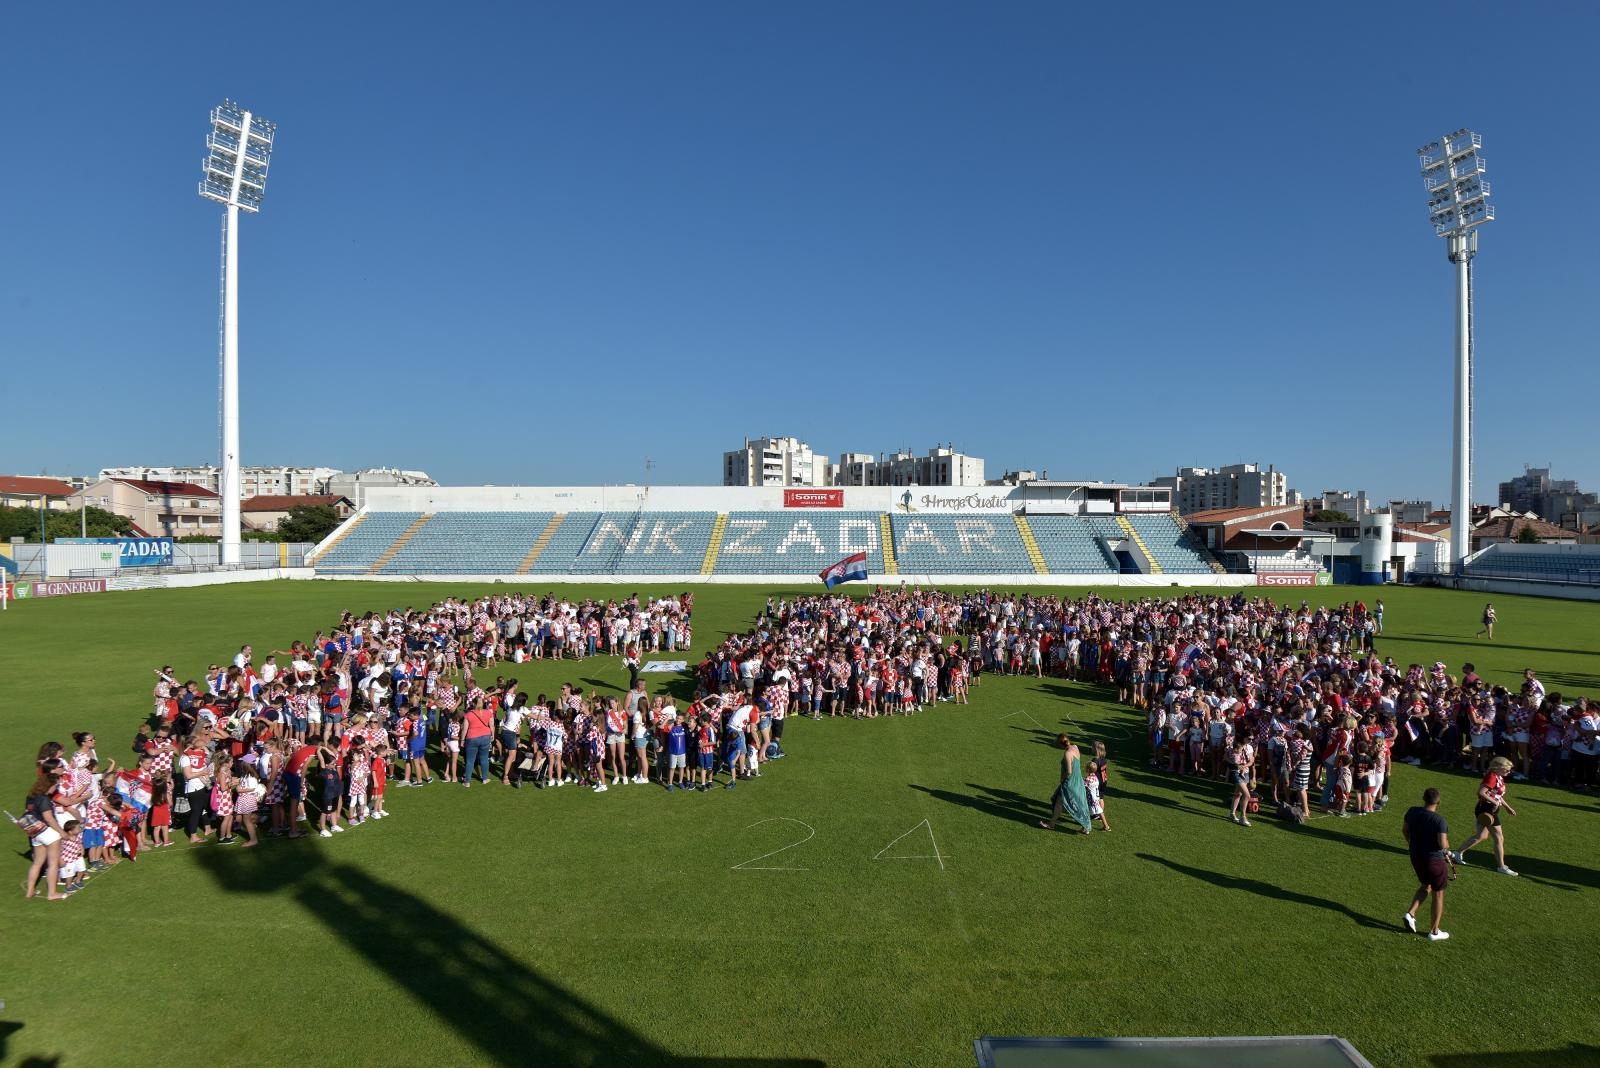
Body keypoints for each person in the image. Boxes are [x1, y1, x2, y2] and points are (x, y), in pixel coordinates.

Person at [1402, 787, 1454, 941]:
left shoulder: (1412, 812)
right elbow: (1442, 843)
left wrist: (1412, 843)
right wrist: (1448, 851)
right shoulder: (1439, 820)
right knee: (1438, 893)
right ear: (1438, 802)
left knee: (1426, 885)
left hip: (1415, 856)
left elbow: (1405, 830)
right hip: (1434, 860)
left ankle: (1410, 914)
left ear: (1424, 798)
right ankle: (1434, 931)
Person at [1452, 756, 1518, 876]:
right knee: (1499, 837)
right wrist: (1494, 803)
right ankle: (1501, 866)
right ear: (1498, 768)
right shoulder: (1492, 777)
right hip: (1486, 809)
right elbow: (1481, 792)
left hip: (1490, 809)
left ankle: (1457, 853)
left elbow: (1498, 795)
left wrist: (1507, 807)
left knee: (1481, 836)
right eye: (1507, 770)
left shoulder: (1499, 777)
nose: (1509, 772)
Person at [1039, 733, 1092, 835]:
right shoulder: (1075, 747)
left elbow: (1069, 771)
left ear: (1061, 744)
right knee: (1079, 803)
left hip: (1070, 782)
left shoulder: (1067, 753)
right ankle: (1085, 827)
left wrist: (1062, 779)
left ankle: (1051, 824)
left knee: (1060, 802)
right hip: (1078, 780)